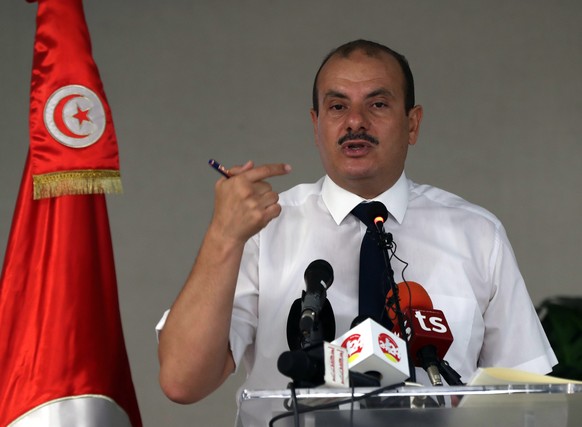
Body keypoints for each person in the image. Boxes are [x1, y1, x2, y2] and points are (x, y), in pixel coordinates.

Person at [157, 39, 557, 410]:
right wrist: (223, 236)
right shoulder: (263, 228)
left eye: (378, 104)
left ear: (412, 123)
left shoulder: (477, 234)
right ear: (316, 124)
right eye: (337, 107)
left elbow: (526, 395)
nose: (355, 122)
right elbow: (182, 381)